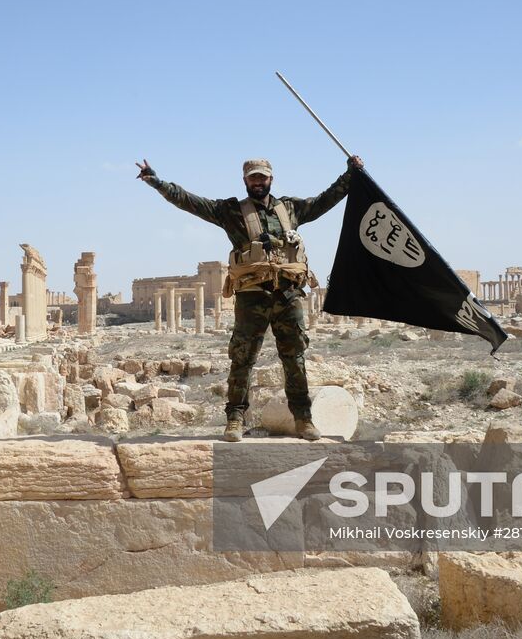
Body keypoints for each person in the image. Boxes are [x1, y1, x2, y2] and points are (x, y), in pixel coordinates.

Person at [136, 154, 363, 441]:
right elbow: (189, 201)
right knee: (242, 359)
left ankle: (303, 419)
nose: (258, 181)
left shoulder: (290, 209)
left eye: (262, 177)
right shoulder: (230, 211)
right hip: (252, 296)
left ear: (271, 179)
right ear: (245, 180)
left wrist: (349, 176)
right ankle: (234, 419)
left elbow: (324, 201)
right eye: (253, 177)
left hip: (288, 293)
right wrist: (157, 182)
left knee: (294, 357)